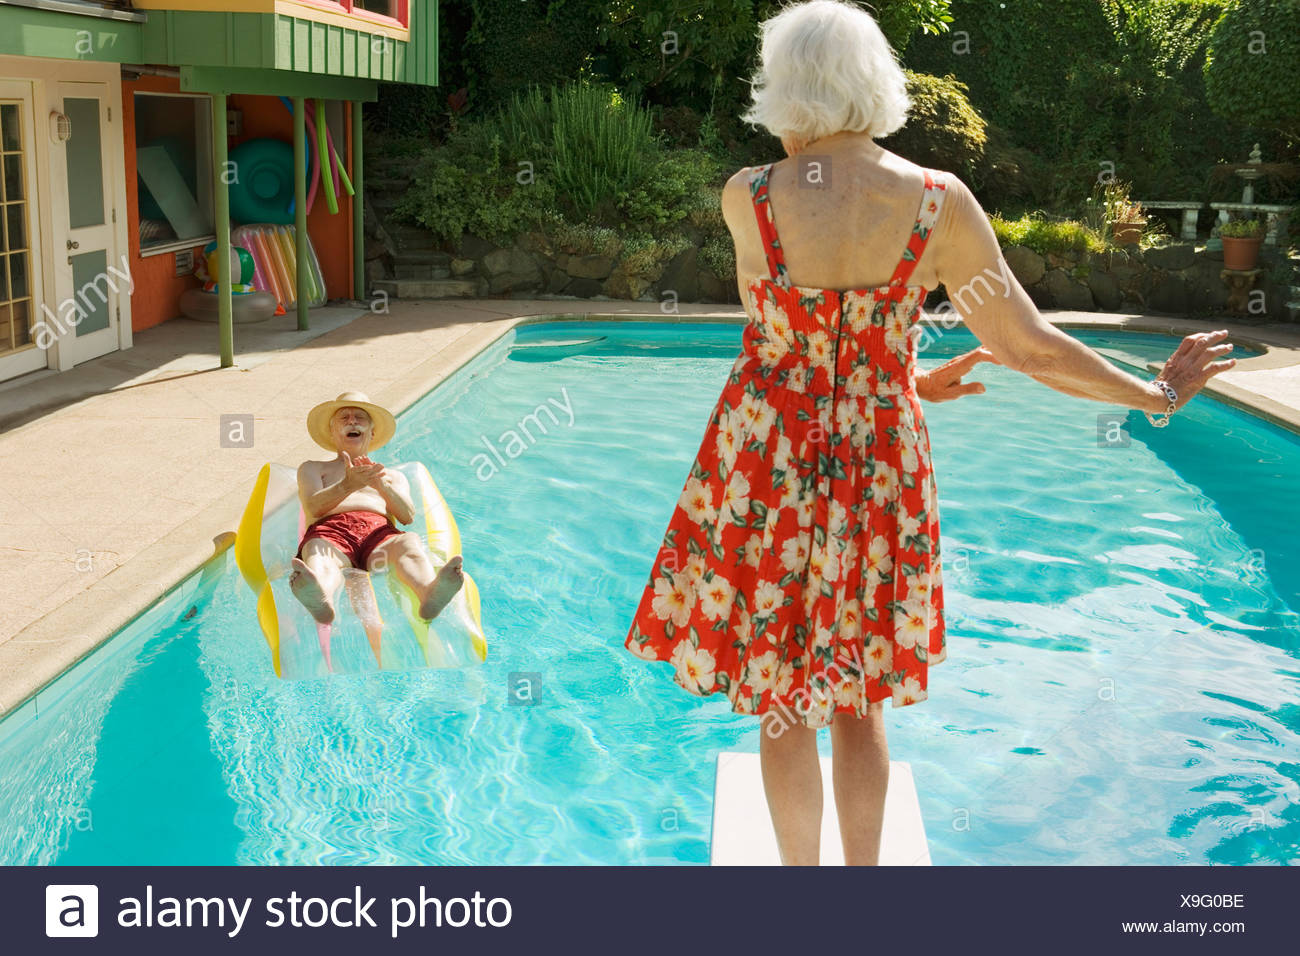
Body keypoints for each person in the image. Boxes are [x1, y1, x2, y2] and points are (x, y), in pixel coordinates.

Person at [623, 0, 1235, 866]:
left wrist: (885, 374)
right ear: (877, 82)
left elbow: (790, 349)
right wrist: (1156, 394)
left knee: (783, 694)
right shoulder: (937, 203)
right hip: (878, 457)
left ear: (782, 88)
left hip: (765, 462)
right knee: (854, 696)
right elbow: (1026, 346)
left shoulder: (747, 197)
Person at [289, 391, 464, 626]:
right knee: (317, 550)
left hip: (379, 537)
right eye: (344, 418)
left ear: (372, 432)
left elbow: (407, 516)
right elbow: (313, 507)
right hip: (330, 533)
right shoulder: (314, 468)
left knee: (408, 541)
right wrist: (347, 485)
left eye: (359, 417)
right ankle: (322, 598)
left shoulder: (391, 475)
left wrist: (381, 485)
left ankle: (428, 594)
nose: (352, 421)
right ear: (332, 432)